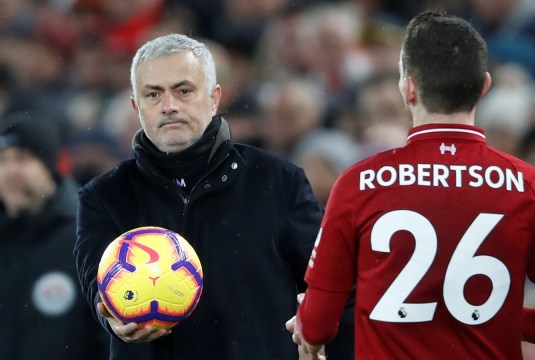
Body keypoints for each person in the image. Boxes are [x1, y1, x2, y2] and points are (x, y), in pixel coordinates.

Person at [286, 11, 535, 359]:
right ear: (484, 87)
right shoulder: (531, 187)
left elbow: (317, 326)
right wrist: (487, 315)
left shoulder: (361, 183)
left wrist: (308, 319)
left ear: (408, 88)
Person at [73, 33, 353, 359]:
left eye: (184, 90)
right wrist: (113, 318)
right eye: (153, 94)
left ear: (214, 97)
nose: (169, 106)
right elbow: (96, 285)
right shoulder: (104, 196)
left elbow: (330, 289)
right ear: (136, 106)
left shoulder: (278, 181)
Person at [0, 112, 108, 359]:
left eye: (23, 159)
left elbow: (109, 337)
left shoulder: (87, 238)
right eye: (3, 161)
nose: (10, 171)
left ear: (51, 166)